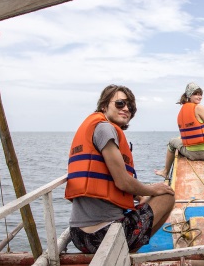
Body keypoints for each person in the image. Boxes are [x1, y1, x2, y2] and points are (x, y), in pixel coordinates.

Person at [65, 84, 175, 254]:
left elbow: (111, 178)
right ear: (104, 105)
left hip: (79, 235)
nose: (126, 109)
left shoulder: (96, 127)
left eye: (130, 107)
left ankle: (126, 252)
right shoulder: (104, 129)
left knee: (147, 197)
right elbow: (122, 181)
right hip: (101, 235)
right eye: (120, 104)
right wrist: (153, 189)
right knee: (167, 195)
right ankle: (128, 254)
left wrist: (140, 195)